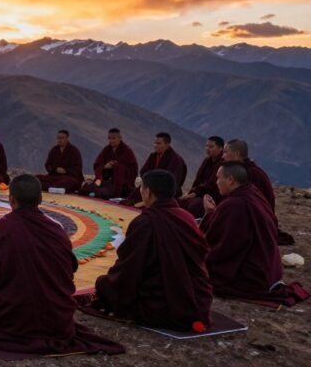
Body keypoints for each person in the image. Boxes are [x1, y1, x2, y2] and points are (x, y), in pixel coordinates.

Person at [0, 175, 123, 356]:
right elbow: (69, 268)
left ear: (11, 199)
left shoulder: (1, 230)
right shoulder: (56, 230)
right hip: (56, 321)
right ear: (40, 199)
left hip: (12, 322)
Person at [91, 170, 212, 330]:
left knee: (103, 285)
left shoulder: (146, 222)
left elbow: (129, 269)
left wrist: (107, 285)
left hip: (165, 305)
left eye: (142, 188)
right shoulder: (187, 217)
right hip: (199, 302)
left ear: (147, 192)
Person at [200, 162, 308, 306]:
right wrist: (211, 214)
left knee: (195, 271)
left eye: (218, 178)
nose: (216, 182)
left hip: (253, 277)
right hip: (270, 272)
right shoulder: (252, 192)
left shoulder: (234, 204)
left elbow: (222, 248)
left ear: (230, 180)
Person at [122, 132, 186, 207]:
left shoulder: (176, 160)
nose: (155, 146)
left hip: (165, 193)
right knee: (129, 201)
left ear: (167, 144)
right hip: (150, 187)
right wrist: (150, 181)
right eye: (155, 143)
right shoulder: (153, 156)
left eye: (158, 143)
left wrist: (155, 184)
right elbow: (144, 171)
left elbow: (173, 181)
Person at [79, 128, 138, 200]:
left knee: (105, 192)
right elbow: (97, 164)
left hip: (120, 183)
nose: (111, 141)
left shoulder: (127, 151)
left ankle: (95, 193)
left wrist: (115, 167)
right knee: (87, 189)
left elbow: (133, 169)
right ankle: (94, 193)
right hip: (106, 180)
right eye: (109, 138)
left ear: (120, 138)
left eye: (113, 138)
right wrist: (105, 167)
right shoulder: (106, 150)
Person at [179, 136, 225, 218]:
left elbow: (212, 184)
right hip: (201, 193)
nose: (207, 148)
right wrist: (192, 192)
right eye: (207, 146)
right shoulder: (207, 160)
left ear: (221, 148)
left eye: (211, 147)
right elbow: (198, 179)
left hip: (214, 196)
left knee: (194, 206)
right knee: (181, 202)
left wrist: (195, 193)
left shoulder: (222, 163)